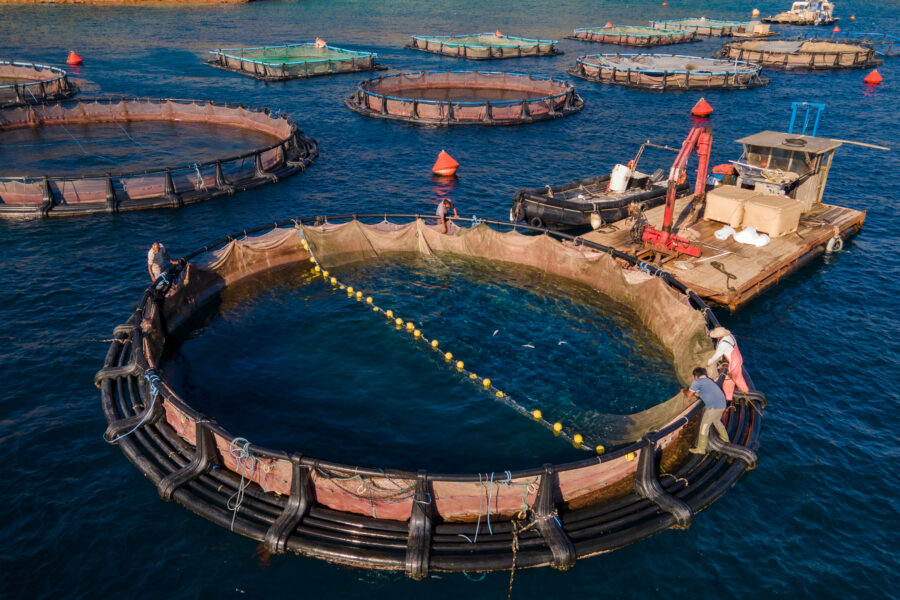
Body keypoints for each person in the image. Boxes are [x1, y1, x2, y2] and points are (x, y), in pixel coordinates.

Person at [682, 367, 729, 454]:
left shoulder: (697, 382)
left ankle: (701, 449)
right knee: (717, 421)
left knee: (704, 427)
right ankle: (725, 439)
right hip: (723, 404)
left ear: (696, 376)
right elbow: (701, 392)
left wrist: (683, 391)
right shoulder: (709, 380)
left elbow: (689, 395)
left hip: (713, 407)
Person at [707, 327, 749, 401]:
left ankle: (729, 400)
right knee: (738, 378)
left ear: (719, 336)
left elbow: (717, 355)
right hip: (738, 359)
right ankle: (746, 393)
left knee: (728, 381)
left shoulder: (723, 344)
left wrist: (709, 363)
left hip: (733, 363)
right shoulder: (730, 336)